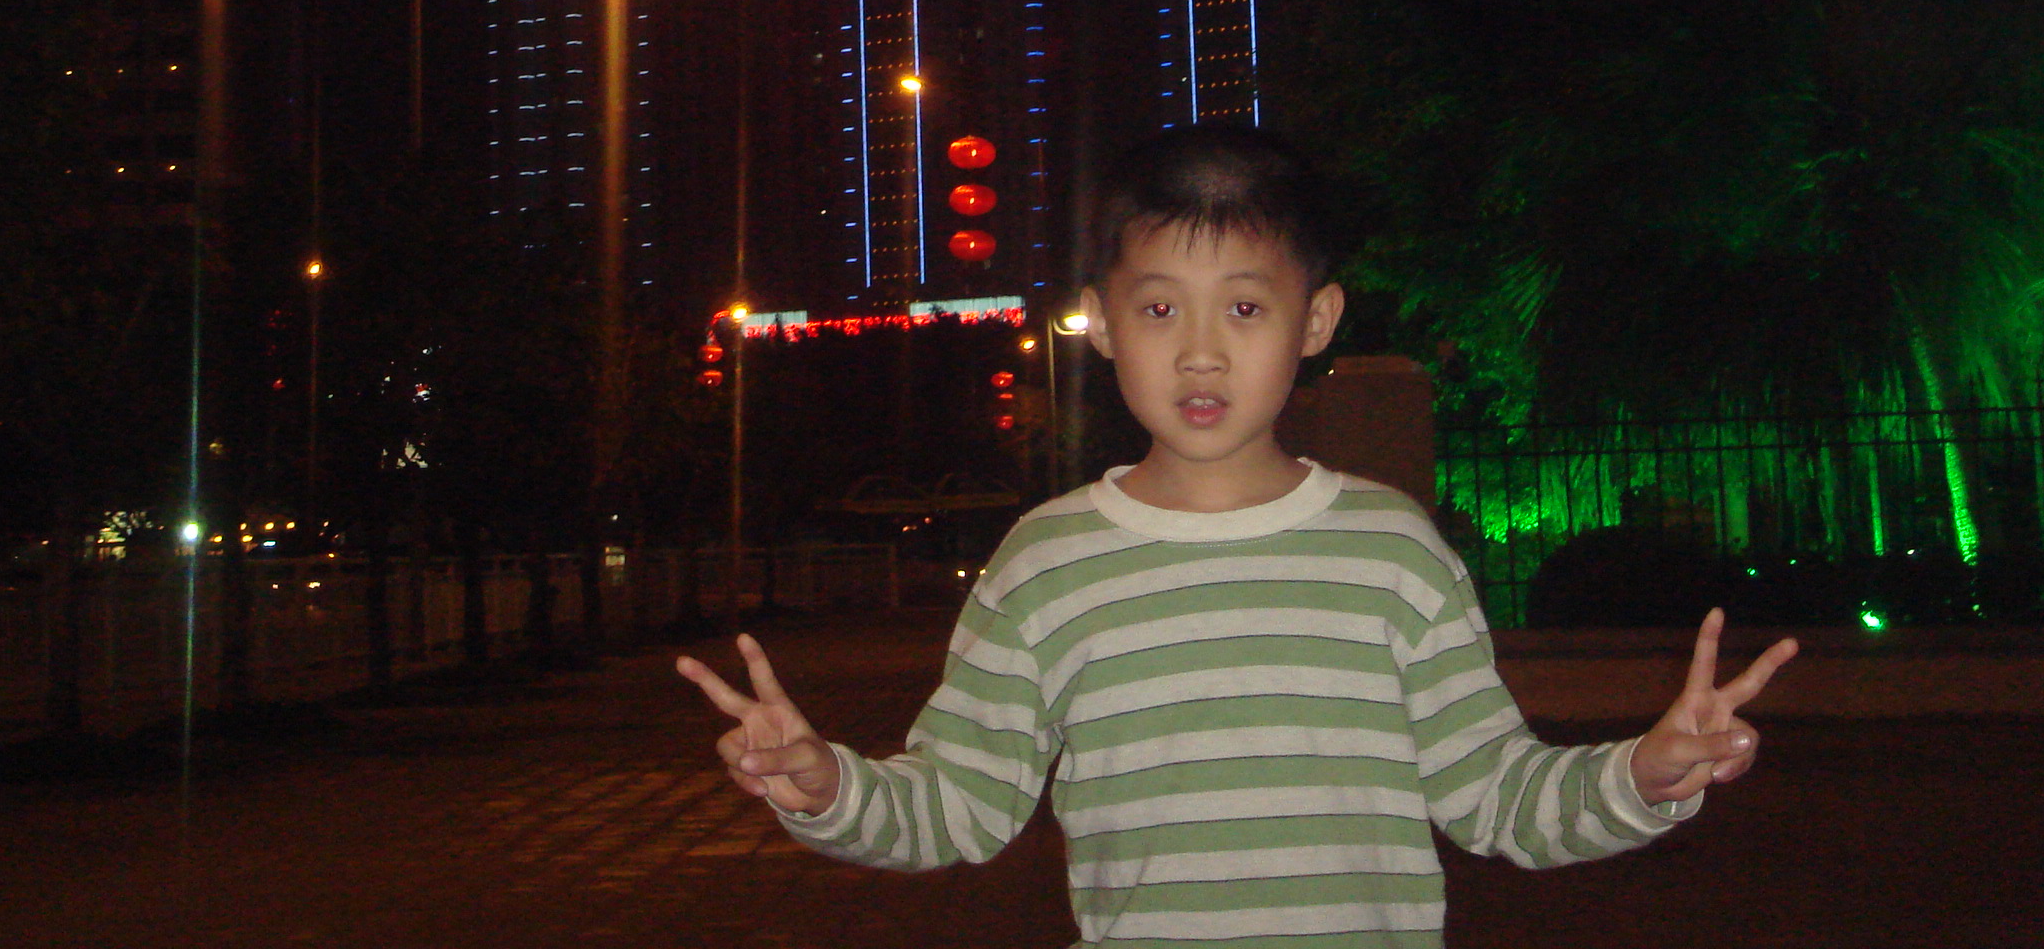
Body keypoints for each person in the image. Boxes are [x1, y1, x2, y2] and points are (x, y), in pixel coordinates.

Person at [679, 123, 1799, 947]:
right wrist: (827, 790)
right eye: (1160, 308)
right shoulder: (1045, 564)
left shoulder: (1391, 551)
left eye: (1246, 308)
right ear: (1102, 323)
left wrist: (1644, 777)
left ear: (1318, 321)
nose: (1201, 352)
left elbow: (1496, 793)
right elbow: (956, 805)